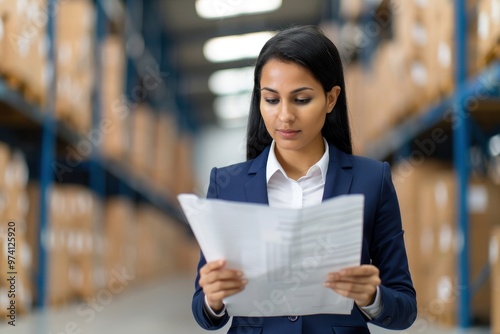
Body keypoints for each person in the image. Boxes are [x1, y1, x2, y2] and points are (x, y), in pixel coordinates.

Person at [192, 25, 416, 333]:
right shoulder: (226, 185)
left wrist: (371, 296)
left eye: (301, 99)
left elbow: (405, 308)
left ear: (331, 98)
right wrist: (213, 299)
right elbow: (203, 311)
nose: (284, 116)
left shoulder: (372, 180)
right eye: (271, 100)